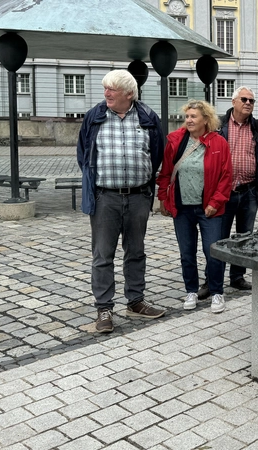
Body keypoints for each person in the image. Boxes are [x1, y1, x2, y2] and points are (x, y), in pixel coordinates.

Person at [76, 69, 166, 333]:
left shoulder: (148, 117)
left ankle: (135, 301)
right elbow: (84, 154)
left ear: (129, 93)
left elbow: (156, 154)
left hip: (138, 196)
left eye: (112, 89)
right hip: (105, 197)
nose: (106, 94)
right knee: (103, 254)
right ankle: (104, 308)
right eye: (105, 89)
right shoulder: (95, 116)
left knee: (136, 251)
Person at [157, 100, 232, 314]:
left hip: (209, 209)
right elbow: (165, 173)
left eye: (193, 116)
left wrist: (214, 203)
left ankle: (217, 292)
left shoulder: (219, 143)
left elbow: (226, 178)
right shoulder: (176, 141)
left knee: (213, 252)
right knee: (186, 253)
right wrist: (164, 198)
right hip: (182, 209)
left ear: (205, 120)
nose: (188, 120)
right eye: (187, 116)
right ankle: (191, 290)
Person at [198, 86, 258, 299]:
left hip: (248, 190)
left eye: (252, 101)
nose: (248, 103)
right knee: (218, 239)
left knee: (244, 238)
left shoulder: (257, 126)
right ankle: (211, 280)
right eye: (244, 99)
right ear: (233, 102)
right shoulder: (218, 124)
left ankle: (237, 277)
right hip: (223, 192)